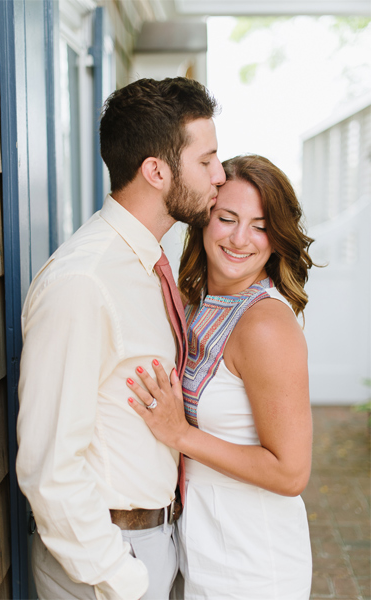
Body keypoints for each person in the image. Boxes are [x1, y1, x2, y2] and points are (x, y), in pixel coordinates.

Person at [16, 76, 226, 600]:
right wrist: (123, 579)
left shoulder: (147, 265)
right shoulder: (84, 282)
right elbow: (48, 465)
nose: (219, 175)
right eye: (206, 161)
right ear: (156, 171)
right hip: (105, 562)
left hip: (155, 543)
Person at [126, 155, 314, 598]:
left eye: (260, 225)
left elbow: (291, 473)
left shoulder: (266, 326)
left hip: (253, 562)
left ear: (277, 237)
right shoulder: (194, 302)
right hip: (202, 548)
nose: (239, 238)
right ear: (202, 220)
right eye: (227, 218)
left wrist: (181, 436)